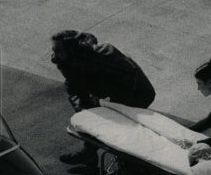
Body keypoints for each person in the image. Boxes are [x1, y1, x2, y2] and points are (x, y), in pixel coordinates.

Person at [52, 30, 156, 164]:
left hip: (136, 93)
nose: (54, 57)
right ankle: (89, 154)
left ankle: (131, 160)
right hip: (109, 96)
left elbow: (131, 79)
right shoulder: (69, 64)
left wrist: (111, 109)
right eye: (54, 50)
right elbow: (76, 93)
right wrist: (86, 112)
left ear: (73, 50)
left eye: (58, 51)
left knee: (120, 127)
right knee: (91, 117)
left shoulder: (106, 54)